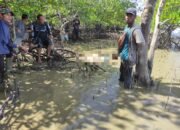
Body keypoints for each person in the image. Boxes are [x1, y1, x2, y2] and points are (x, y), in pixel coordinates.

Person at [118, 8, 145, 89]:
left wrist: (138, 56)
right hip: (123, 56)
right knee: (121, 74)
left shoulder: (136, 30)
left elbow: (141, 43)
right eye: (127, 15)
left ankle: (126, 95)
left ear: (134, 17)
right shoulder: (126, 27)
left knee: (127, 79)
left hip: (129, 58)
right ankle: (120, 86)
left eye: (130, 15)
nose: (128, 17)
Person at [0, 8, 25, 85]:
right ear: (1, 15)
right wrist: (19, 46)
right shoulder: (2, 25)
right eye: (7, 15)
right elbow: (7, 41)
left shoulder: (5, 25)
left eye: (10, 16)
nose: (10, 17)